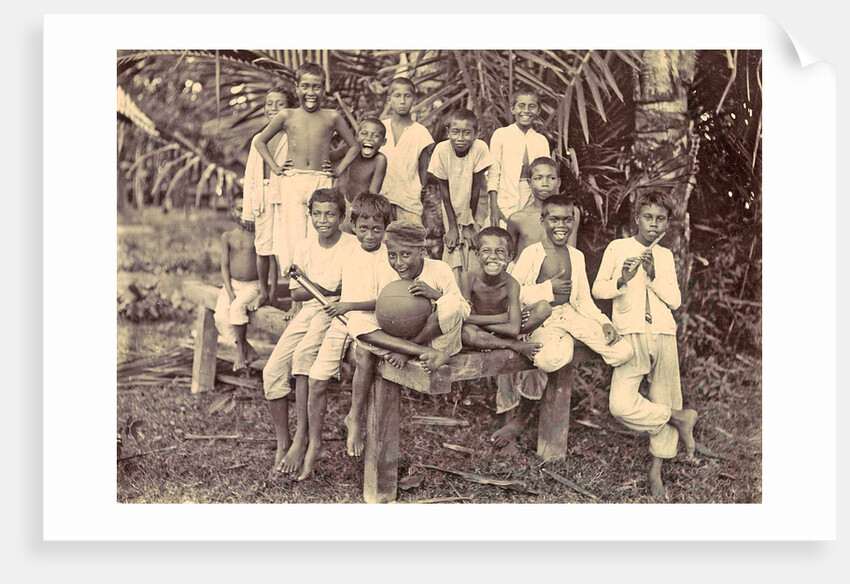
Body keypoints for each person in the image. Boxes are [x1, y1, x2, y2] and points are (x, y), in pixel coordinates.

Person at [592, 191, 698, 498]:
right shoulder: (618, 247)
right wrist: (622, 280)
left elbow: (675, 301)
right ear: (637, 218)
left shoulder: (663, 255)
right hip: (629, 333)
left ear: (667, 224)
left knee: (664, 392)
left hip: (663, 333)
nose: (653, 224)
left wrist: (653, 276)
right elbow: (599, 290)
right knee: (620, 405)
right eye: (648, 217)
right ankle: (679, 418)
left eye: (660, 219)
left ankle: (656, 472)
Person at [505, 196, 634, 441]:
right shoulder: (532, 253)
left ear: (573, 222)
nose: (561, 225)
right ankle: (562, 340)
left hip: (572, 316)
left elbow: (584, 299)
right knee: (550, 359)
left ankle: (569, 337)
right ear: (543, 221)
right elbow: (515, 293)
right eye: (554, 219)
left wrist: (604, 323)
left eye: (567, 220)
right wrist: (547, 289)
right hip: (544, 319)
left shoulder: (576, 256)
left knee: (623, 352)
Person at [295, 193, 393, 481]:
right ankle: (315, 443)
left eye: (377, 229)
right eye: (363, 228)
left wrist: (349, 304)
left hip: (370, 320)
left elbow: (384, 302)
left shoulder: (387, 257)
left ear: (386, 228)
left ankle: (354, 417)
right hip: (342, 320)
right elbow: (333, 287)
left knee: (363, 356)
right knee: (316, 379)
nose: (370, 235)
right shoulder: (349, 251)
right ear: (353, 225)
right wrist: (305, 279)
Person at [263, 189, 358, 476]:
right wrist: (325, 289)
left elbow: (349, 290)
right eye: (316, 214)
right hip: (310, 311)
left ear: (342, 217)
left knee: (303, 359)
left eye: (330, 214)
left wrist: (321, 289)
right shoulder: (305, 247)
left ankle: (303, 438)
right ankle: (284, 442)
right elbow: (296, 291)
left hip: (338, 313)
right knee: (271, 372)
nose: (323, 220)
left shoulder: (352, 246)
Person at [252, 62, 358, 276]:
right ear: (297, 87)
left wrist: (338, 169)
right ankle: (297, 295)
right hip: (293, 181)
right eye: (306, 86)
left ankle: (321, 284)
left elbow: (354, 145)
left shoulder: (332, 117)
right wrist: (276, 167)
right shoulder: (287, 115)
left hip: (320, 180)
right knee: (294, 235)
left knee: (320, 232)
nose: (311, 92)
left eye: (317, 87)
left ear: (324, 88)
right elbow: (259, 141)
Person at [348, 220, 472, 400]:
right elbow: (385, 308)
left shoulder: (439, 269)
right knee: (356, 323)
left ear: (421, 251)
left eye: (405, 255)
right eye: (392, 256)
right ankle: (416, 350)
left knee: (451, 303)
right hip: (403, 339)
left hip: (437, 342)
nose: (398, 263)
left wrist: (435, 295)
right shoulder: (387, 271)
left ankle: (411, 350)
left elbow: (464, 310)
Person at [427, 108, 494, 278]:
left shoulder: (480, 148)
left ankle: (475, 288)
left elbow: (475, 188)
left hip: (476, 205)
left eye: (466, 133)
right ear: (448, 132)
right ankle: (455, 290)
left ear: (476, 133)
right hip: (451, 204)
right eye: (455, 132)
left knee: (473, 245)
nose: (460, 138)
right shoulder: (441, 150)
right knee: (453, 246)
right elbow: (444, 191)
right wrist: (452, 227)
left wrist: (468, 225)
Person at [241, 86, 287, 311]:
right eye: (270, 104)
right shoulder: (259, 139)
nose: (274, 108)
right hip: (263, 196)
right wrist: (247, 211)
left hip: (285, 197)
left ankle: (274, 292)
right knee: (263, 247)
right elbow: (251, 176)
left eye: (280, 104)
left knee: (281, 247)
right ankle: (262, 291)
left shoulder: (292, 137)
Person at [214, 195, 269, 371]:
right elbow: (224, 266)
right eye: (239, 209)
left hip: (251, 286)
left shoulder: (257, 235)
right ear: (232, 211)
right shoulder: (227, 236)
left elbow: (269, 262)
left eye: (246, 210)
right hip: (232, 284)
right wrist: (229, 292)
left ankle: (239, 353)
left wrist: (265, 290)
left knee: (237, 307)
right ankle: (247, 348)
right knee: (220, 317)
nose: (243, 214)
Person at [487, 87, 552, 228]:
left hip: (532, 202)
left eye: (532, 106)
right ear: (512, 109)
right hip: (504, 199)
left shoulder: (541, 141)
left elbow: (545, 177)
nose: (526, 111)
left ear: (538, 111)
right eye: (521, 106)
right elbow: (493, 174)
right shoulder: (501, 135)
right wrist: (494, 209)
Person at [379, 77, 434, 223]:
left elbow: (423, 168)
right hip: (381, 199)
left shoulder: (420, 133)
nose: (402, 101)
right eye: (397, 96)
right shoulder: (380, 128)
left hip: (409, 202)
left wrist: (420, 189)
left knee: (409, 241)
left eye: (407, 96)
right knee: (381, 242)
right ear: (389, 99)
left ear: (414, 99)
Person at [334, 118, 388, 231]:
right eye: (364, 133)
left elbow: (373, 192)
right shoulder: (350, 150)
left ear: (383, 142)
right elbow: (329, 157)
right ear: (357, 136)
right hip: (346, 204)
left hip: (364, 210)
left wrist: (363, 215)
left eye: (375, 135)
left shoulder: (380, 160)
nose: (368, 138)